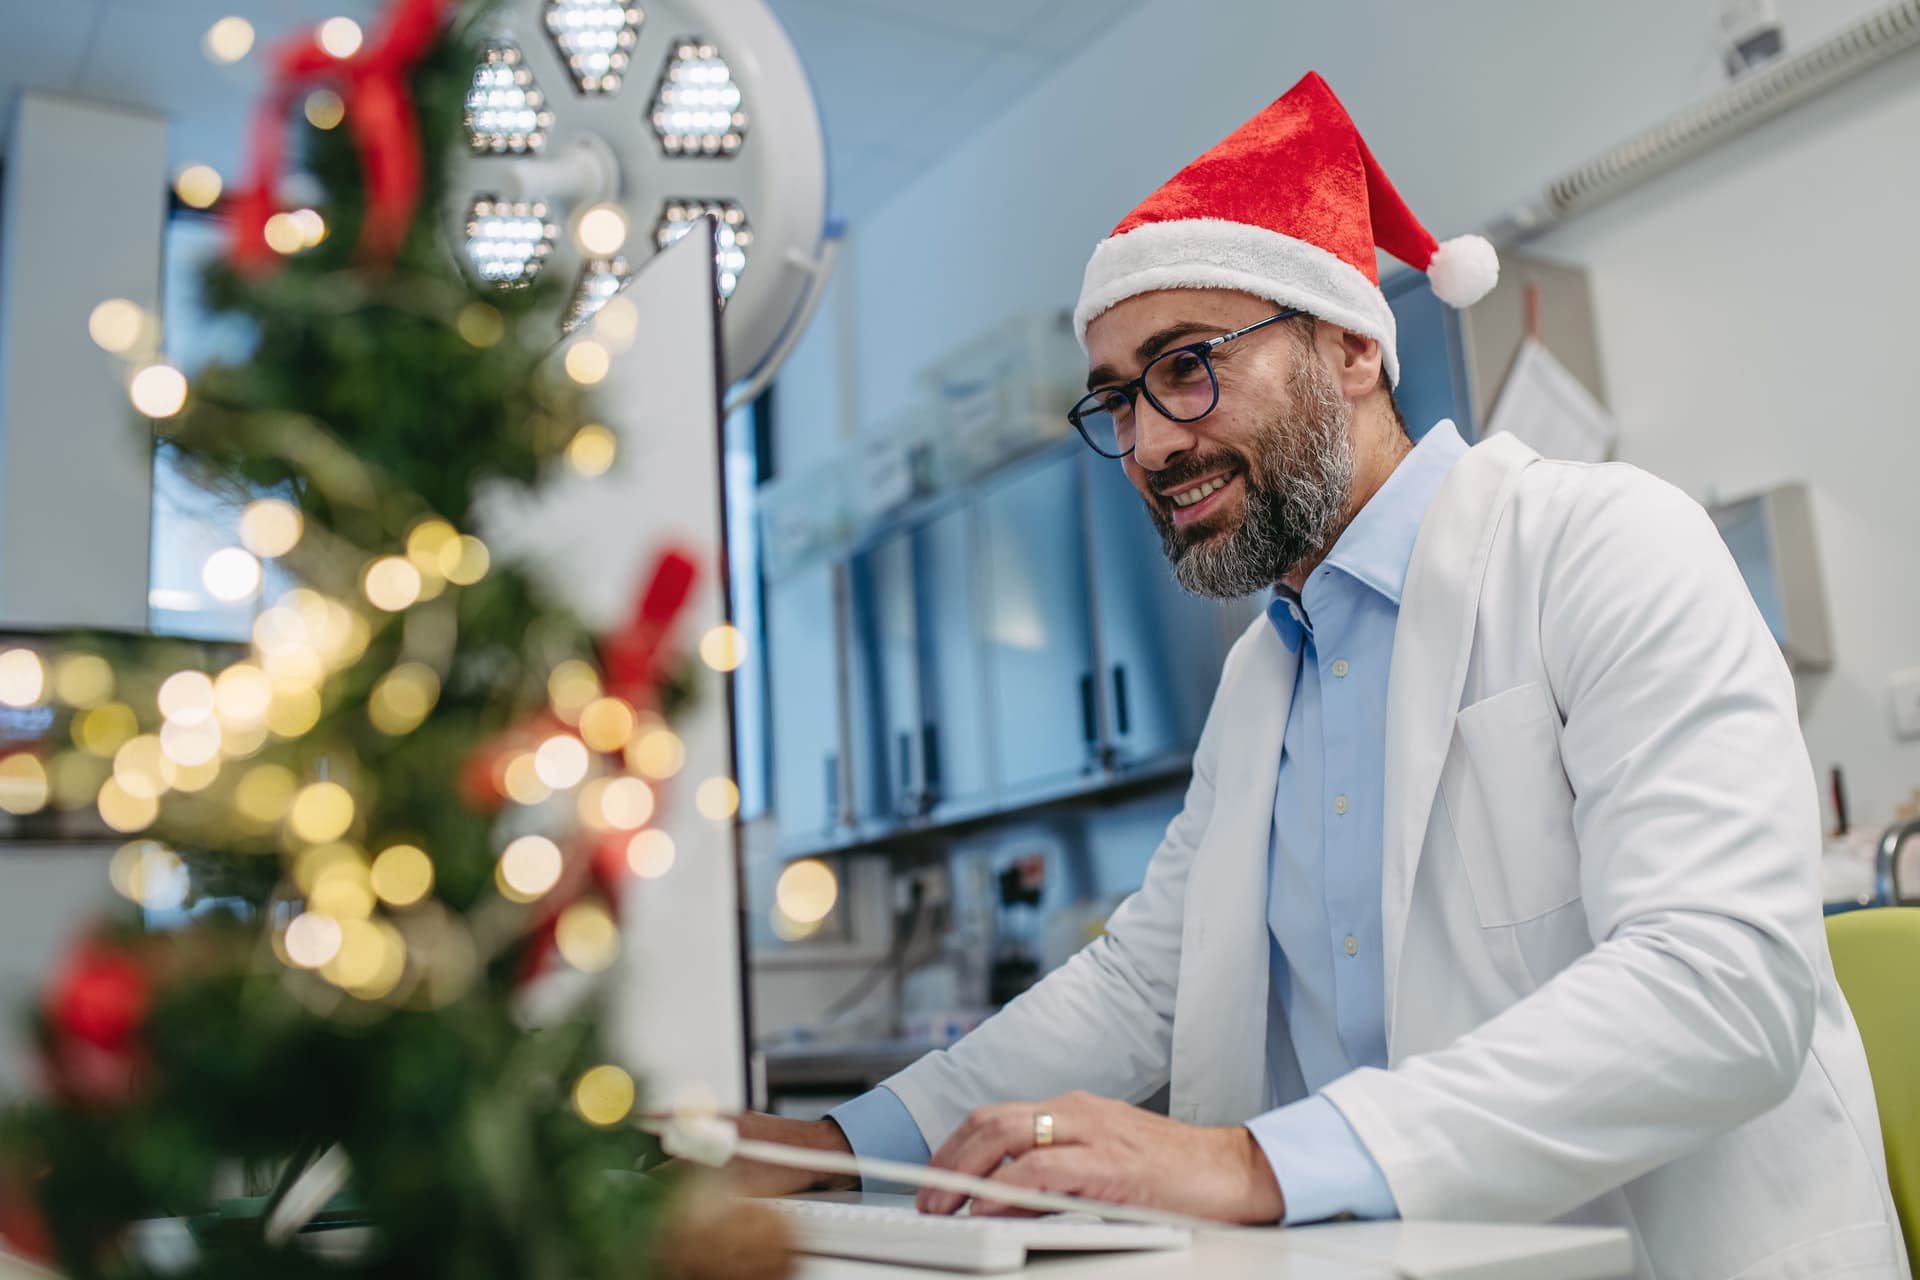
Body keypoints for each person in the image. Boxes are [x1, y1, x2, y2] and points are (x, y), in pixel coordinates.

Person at [734, 71, 1907, 1277]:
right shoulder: (1263, 678)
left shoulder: (1599, 542)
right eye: (1117, 402)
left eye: (1186, 365)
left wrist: (1252, 1163)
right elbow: (1147, 983)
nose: (1147, 443)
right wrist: (837, 1144)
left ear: (1350, 343)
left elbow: (1721, 989)